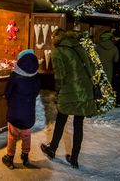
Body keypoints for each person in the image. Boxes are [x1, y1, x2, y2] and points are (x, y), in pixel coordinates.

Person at [40, 29, 96, 169]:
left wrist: (58, 91)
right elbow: (92, 67)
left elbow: (60, 76)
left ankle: (52, 148)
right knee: (78, 124)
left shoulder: (58, 51)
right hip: (85, 91)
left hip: (70, 92)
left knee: (61, 120)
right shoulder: (79, 46)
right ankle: (74, 158)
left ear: (55, 37)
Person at [2, 49, 41, 169]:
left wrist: (9, 99)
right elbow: (36, 92)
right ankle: (25, 155)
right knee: (26, 136)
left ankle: (9, 157)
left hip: (14, 113)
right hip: (28, 115)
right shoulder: (36, 77)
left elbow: (7, 93)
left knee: (12, 136)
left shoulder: (14, 76)